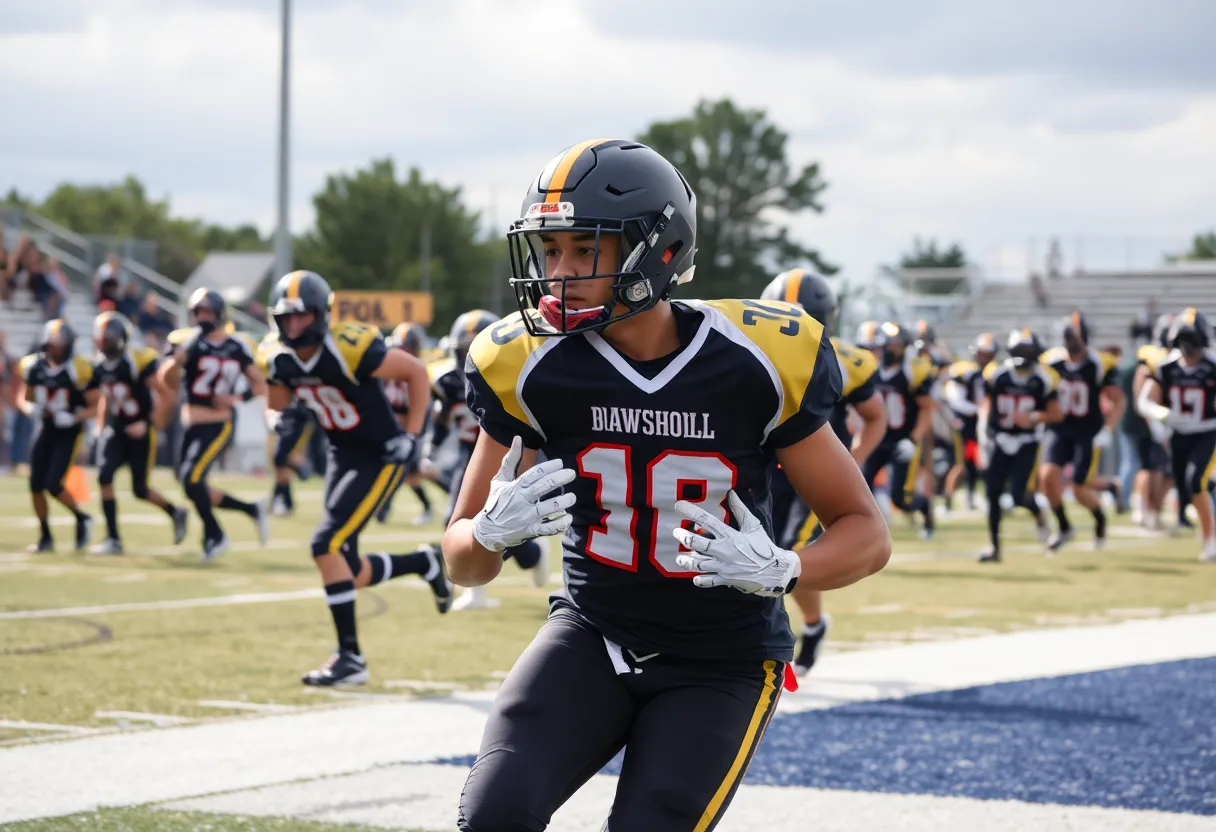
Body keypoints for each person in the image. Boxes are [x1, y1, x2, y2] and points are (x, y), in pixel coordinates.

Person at [443, 138, 890, 830]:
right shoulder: (527, 363)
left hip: (722, 659)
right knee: (493, 816)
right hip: (591, 632)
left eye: (583, 250)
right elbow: (462, 561)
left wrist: (785, 568)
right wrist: (487, 532)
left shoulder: (756, 360)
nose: (556, 273)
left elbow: (865, 532)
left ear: (654, 250)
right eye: (549, 250)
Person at [262, 270, 453, 686]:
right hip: (341, 453)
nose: (293, 325)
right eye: (286, 318)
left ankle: (350, 658)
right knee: (345, 565)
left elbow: (416, 374)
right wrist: (278, 419)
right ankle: (423, 562)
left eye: (301, 316)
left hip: (382, 454)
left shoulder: (349, 346)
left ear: (319, 314)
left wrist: (413, 437)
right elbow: (275, 403)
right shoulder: (276, 355)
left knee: (324, 545)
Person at [760, 267, 886, 674]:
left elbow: (875, 416)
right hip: (762, 467)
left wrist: (855, 459)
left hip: (812, 472)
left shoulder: (846, 359)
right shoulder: (744, 348)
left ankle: (771, 643)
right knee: (758, 551)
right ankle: (813, 623)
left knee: (784, 552)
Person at [157, 289, 270, 560]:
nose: (203, 317)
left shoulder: (236, 346)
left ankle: (215, 536)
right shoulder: (185, 341)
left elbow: (259, 383)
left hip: (218, 423)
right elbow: (166, 381)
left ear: (220, 314)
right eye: (199, 312)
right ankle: (250, 509)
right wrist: (177, 362)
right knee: (189, 484)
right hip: (188, 423)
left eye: (208, 312)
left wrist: (235, 398)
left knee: (192, 479)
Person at [89, 312, 189, 554]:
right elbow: (105, 396)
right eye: (101, 340)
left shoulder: (136, 361)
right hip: (116, 428)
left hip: (140, 430)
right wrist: (100, 427)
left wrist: (150, 423)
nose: (104, 344)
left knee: (140, 490)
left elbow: (167, 394)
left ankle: (175, 512)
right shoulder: (99, 365)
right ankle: (113, 538)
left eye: (108, 340)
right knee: (104, 477)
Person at [1038, 312, 1125, 550]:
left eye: (1075, 337)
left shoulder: (1099, 363)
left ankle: (1099, 519)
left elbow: (1118, 400)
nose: (1071, 342)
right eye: (1068, 336)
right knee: (1046, 478)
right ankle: (1065, 526)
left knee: (1079, 489)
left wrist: (1108, 429)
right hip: (1059, 428)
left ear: (1085, 337)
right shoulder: (1050, 361)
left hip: (1088, 431)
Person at [1137, 308, 1216, 561]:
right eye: (1183, 340)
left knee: (1195, 482)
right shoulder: (1167, 367)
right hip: (1179, 434)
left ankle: (1210, 540)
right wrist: (1163, 416)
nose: (1188, 347)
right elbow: (1144, 400)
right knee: (1185, 490)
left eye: (1191, 340)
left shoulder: (1211, 366)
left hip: (1207, 431)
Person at [13, 320, 99, 552]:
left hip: (69, 431)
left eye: (60, 346)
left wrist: (75, 417)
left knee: (53, 483)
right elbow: (24, 397)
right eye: (52, 345)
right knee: (35, 485)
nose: (56, 350)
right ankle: (45, 535)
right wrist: (29, 408)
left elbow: (96, 405)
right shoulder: (33, 366)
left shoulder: (80, 368)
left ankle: (81, 518)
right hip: (46, 427)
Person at [977, 329, 1058, 562]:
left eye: (1027, 350)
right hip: (1000, 439)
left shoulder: (1043, 378)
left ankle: (1039, 514)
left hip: (1027, 441)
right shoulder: (997, 374)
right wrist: (983, 429)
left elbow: (1056, 413)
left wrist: (1033, 417)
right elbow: (986, 403)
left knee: (1018, 495)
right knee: (992, 494)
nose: (1023, 355)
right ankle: (994, 547)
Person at [375, 322, 436, 525]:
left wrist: (414, 434)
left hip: (411, 429)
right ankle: (423, 506)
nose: (401, 352)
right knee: (407, 474)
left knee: (404, 472)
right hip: (391, 427)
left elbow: (422, 410)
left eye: (406, 347)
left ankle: (384, 509)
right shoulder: (387, 372)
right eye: (399, 347)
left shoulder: (420, 374)